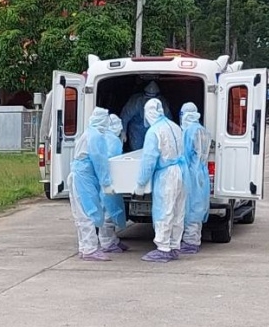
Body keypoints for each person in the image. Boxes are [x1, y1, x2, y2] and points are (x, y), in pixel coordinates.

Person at [69, 108, 129, 261]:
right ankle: (89, 249)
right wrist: (106, 182)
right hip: (84, 179)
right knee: (88, 213)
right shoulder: (96, 137)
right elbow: (100, 162)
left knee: (83, 214)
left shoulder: (90, 133)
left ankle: (85, 248)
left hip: (81, 177)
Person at [136, 99, 187, 263]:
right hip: (181, 171)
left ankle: (163, 247)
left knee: (165, 209)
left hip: (166, 175)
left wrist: (141, 183)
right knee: (178, 210)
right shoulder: (175, 126)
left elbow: (149, 160)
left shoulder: (154, 132)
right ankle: (174, 245)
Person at [178, 103, 213, 254]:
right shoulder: (202, 130)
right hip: (201, 173)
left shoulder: (188, 132)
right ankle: (194, 239)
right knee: (198, 206)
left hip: (191, 173)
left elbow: (184, 154)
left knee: (190, 207)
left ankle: (190, 241)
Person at [120, 81, 172, 151]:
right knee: (136, 151)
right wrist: (123, 131)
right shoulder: (136, 101)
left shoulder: (162, 103)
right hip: (136, 129)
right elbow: (125, 116)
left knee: (152, 150)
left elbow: (168, 120)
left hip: (155, 129)